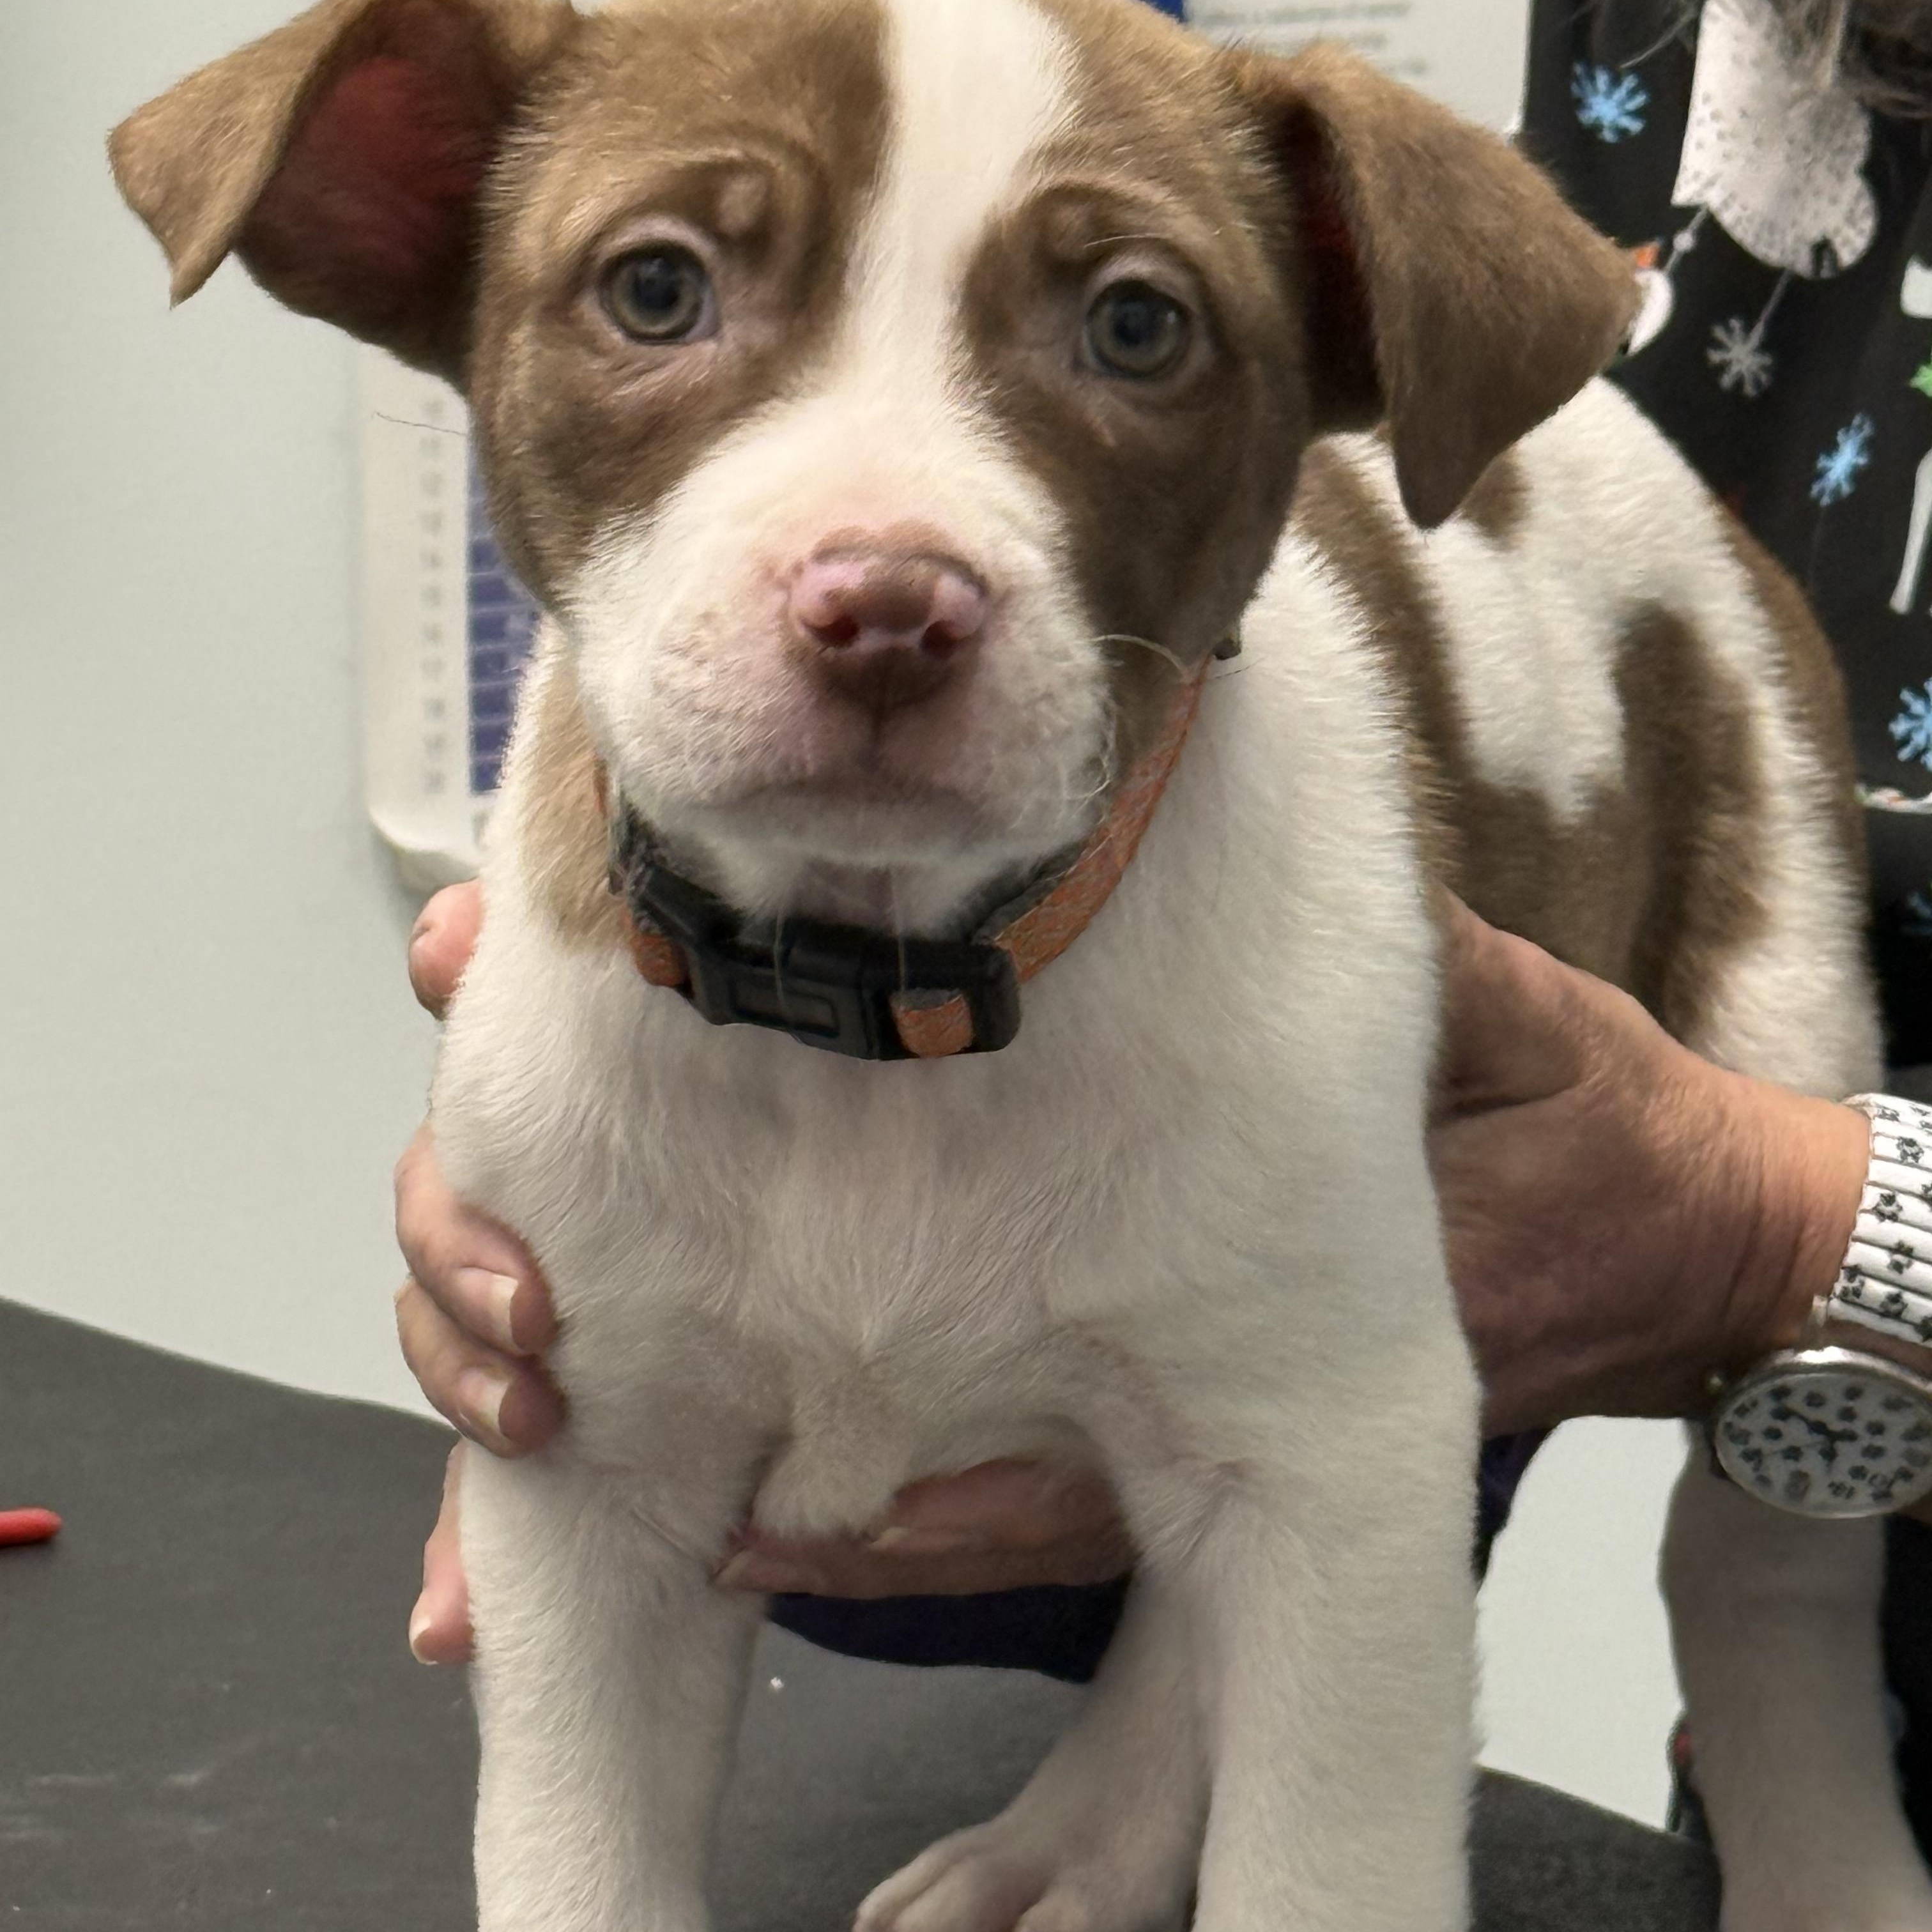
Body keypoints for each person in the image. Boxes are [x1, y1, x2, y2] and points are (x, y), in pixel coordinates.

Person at [392, 0, 1932, 1844]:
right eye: (659, 291)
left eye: (1127, 328)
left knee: (1754, 1633)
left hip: (1697, 794)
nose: (886, 572)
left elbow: (1336, 1460)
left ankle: (1809, 1779)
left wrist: (1793, 1228)